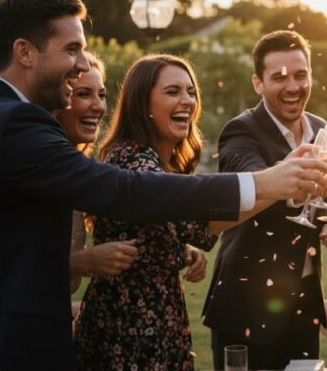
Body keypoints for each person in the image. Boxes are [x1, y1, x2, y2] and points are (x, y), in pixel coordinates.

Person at [0, 0, 327, 371]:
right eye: (72, 49)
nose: (82, 64)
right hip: (0, 344)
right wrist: (264, 184)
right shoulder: (16, 122)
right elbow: (121, 190)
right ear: (24, 52)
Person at [202, 30, 327, 370]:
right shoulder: (240, 131)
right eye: (279, 77)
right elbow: (257, 179)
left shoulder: (322, 129)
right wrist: (287, 173)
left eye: (301, 75)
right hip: (246, 308)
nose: (293, 86)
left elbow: (322, 202)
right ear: (258, 83)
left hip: (305, 308)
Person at [73, 54, 222, 370]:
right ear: (143, 104)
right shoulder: (134, 161)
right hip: (128, 328)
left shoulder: (162, 161)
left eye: (191, 91)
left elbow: (183, 231)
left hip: (162, 320)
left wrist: (180, 250)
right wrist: (276, 188)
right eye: (173, 92)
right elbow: (198, 224)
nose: (187, 101)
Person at [54, 52, 141, 294]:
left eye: (101, 95)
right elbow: (13, 266)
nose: (99, 106)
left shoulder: (75, 164)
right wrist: (85, 261)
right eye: (83, 94)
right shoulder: (44, 168)